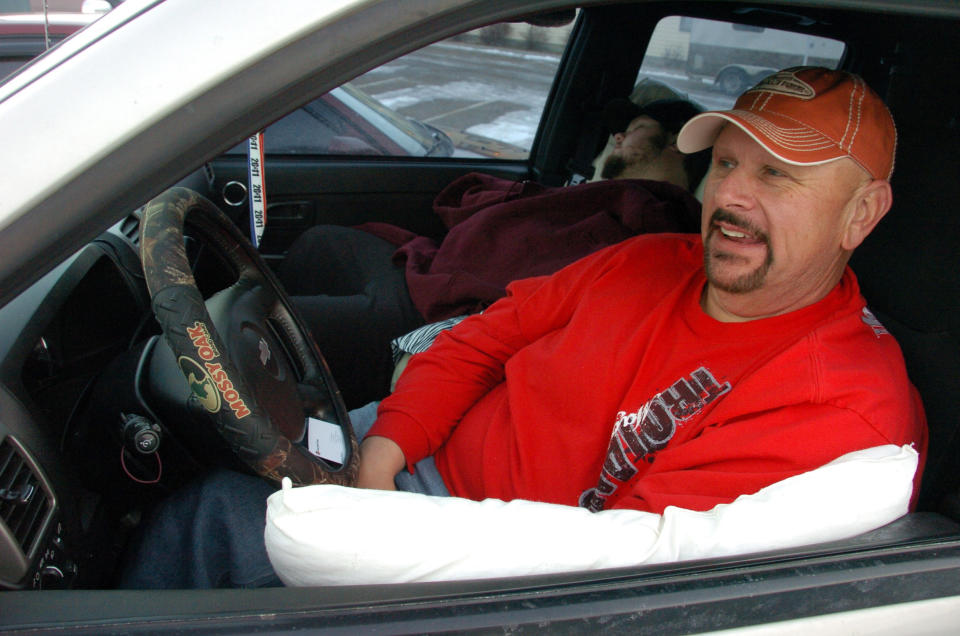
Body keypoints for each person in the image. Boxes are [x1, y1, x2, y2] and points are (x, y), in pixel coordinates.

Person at [121, 67, 926, 588]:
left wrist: (386, 517)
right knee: (197, 439)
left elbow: (619, 576)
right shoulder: (649, 259)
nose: (731, 198)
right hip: (403, 459)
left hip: (474, 562)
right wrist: (387, 450)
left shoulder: (838, 408)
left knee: (210, 519)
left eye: (776, 175)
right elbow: (480, 340)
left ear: (863, 213)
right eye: (725, 165)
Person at [277, 97, 710, 408]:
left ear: (674, 143)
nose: (617, 136)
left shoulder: (658, 220)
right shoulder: (602, 194)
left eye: (634, 129)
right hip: (432, 272)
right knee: (322, 242)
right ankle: (318, 398)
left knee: (267, 328)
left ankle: (297, 404)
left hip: (448, 315)